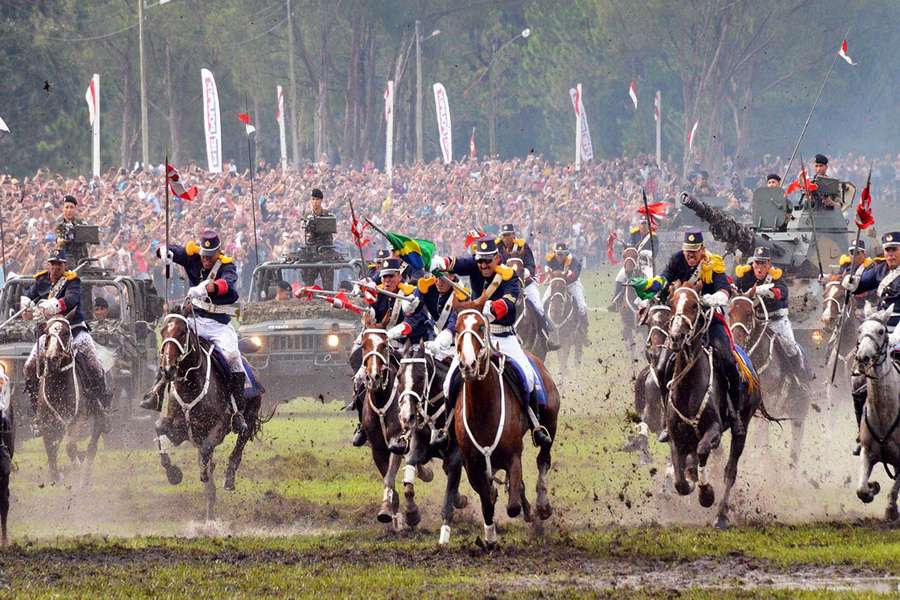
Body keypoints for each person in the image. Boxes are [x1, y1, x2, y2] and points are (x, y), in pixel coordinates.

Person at [430, 238, 552, 448]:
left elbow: (509, 301)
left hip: (503, 336)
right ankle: (446, 426)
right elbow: (456, 263)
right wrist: (441, 262)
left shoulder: (509, 276)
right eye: (480, 261)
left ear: (497, 258)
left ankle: (534, 423)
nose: (484, 266)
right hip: (478, 335)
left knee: (528, 376)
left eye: (488, 261)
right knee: (450, 381)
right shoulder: (475, 266)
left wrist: (492, 307)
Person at [139, 229, 249, 435]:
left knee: (233, 356)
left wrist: (207, 288)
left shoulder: (227, 265)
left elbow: (228, 285)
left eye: (210, 257)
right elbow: (168, 249)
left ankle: (237, 411)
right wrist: (164, 252)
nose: (206, 260)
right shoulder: (193, 257)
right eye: (204, 256)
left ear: (218, 253)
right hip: (193, 321)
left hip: (219, 325)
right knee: (171, 345)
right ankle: (156, 393)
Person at [648, 230, 744, 440]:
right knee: (663, 366)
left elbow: (724, 290)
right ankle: (667, 419)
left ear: (702, 249)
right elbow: (665, 277)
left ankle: (735, 414)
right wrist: (655, 285)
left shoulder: (713, 263)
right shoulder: (677, 260)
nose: (690, 255)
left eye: (694, 251)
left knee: (727, 360)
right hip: (683, 322)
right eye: (687, 251)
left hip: (709, 320)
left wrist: (713, 298)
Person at [21, 250, 112, 432]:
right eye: (52, 264)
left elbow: (71, 299)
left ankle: (102, 406)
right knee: (29, 367)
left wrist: (53, 305)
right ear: (48, 265)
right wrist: (26, 305)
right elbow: (28, 294)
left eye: (59, 265)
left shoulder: (72, 280)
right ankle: (36, 411)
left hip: (74, 329)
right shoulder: (41, 280)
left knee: (93, 364)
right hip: (49, 332)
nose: (55, 268)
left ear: (65, 266)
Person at [349, 257, 434, 447]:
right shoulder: (378, 294)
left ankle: (424, 419)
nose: (387, 281)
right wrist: (363, 301)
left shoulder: (411, 294)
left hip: (407, 346)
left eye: (391, 277)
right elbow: (371, 316)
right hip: (383, 347)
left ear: (399, 276)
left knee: (413, 379)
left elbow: (412, 323)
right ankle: (363, 424)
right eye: (384, 277)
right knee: (360, 378)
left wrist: (391, 333)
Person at [842, 231, 900, 454]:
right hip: (880, 328)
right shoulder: (880, 270)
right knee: (857, 381)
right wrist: (850, 282)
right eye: (887, 250)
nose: (890, 254)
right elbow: (859, 284)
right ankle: (862, 433)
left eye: (894, 249)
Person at [733, 247, 811, 382]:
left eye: (763, 263)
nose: (759, 267)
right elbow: (734, 288)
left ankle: (799, 380)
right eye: (757, 263)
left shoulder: (776, 276)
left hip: (776, 321)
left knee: (790, 347)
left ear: (769, 264)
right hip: (755, 321)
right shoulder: (745, 275)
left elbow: (782, 292)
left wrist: (768, 291)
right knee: (736, 346)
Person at [496, 223, 559, 349]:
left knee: (538, 307)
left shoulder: (523, 246)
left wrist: (526, 272)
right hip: (505, 284)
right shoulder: (497, 247)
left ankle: (545, 339)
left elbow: (531, 264)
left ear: (513, 235)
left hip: (526, 284)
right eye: (504, 235)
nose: (506, 238)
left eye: (508, 235)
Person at [543, 242, 590, 342]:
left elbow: (574, 275)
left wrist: (561, 278)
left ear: (566, 253)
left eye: (562, 254)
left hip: (571, 283)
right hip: (556, 283)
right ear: (555, 253)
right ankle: (543, 331)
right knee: (542, 303)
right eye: (558, 253)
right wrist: (552, 276)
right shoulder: (550, 258)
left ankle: (583, 332)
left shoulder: (573, 260)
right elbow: (547, 268)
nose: (559, 256)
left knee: (582, 306)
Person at [608, 221, 656, 311]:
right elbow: (630, 245)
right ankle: (616, 301)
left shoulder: (653, 237)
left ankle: (653, 300)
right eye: (641, 227)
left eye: (645, 227)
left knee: (650, 278)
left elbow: (655, 251)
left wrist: (647, 254)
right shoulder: (634, 234)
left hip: (646, 264)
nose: (643, 229)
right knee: (620, 277)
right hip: (633, 261)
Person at [301, 188, 337, 286]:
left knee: (328, 283)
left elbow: (331, 228)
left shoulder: (328, 214)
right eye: (313, 199)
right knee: (308, 283)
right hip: (311, 252)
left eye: (317, 199)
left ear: (321, 200)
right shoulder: (307, 215)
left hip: (325, 251)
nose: (315, 202)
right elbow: (304, 230)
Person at [55, 195, 88, 265]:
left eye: (71, 207)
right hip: (68, 260)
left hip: (82, 259)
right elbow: (60, 239)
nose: (69, 210)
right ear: (63, 209)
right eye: (66, 207)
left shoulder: (81, 222)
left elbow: (88, 236)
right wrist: (60, 241)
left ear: (75, 209)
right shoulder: (60, 225)